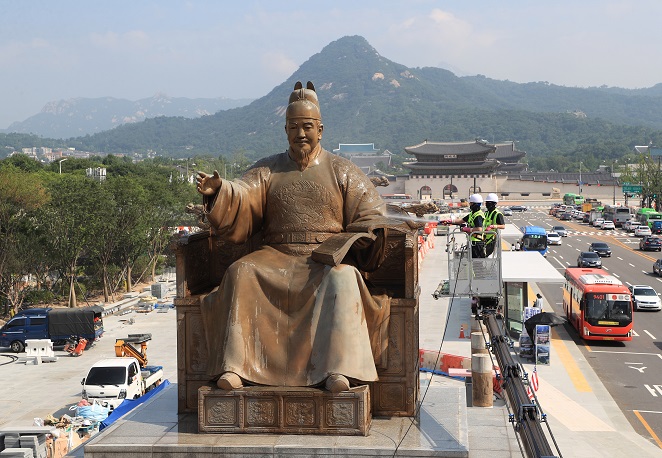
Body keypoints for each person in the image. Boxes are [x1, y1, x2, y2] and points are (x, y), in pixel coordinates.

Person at [196, 81, 399, 394]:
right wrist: (220, 191)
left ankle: (338, 369)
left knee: (342, 280)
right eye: (293, 127)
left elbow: (371, 213)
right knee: (241, 272)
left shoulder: (342, 170)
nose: (300, 134)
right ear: (285, 130)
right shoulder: (268, 169)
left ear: (320, 129)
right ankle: (235, 366)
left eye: (307, 127)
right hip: (276, 254)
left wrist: (361, 234)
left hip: (326, 257)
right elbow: (244, 195)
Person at [441, 193, 486, 258]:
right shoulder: (472, 214)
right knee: (472, 263)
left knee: (477, 264)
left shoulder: (478, 215)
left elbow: (479, 229)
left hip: (478, 243)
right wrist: (450, 221)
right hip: (473, 242)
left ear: (475, 204)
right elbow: (460, 221)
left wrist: (467, 229)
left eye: (471, 203)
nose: (470, 205)